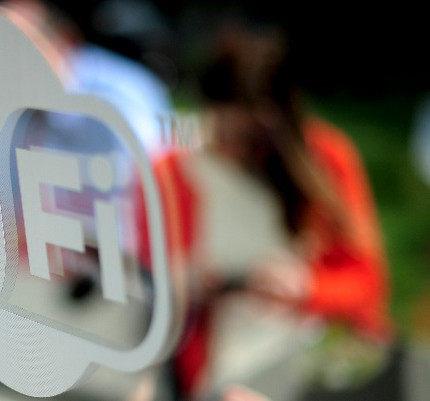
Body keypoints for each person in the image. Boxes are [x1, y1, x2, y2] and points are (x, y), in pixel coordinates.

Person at [136, 22, 392, 401]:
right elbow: (147, 289)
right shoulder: (174, 172)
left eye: (251, 139)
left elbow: (366, 283)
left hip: (312, 363)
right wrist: (192, 286)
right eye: (223, 133)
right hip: (217, 369)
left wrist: (308, 288)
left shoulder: (324, 161)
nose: (234, 150)